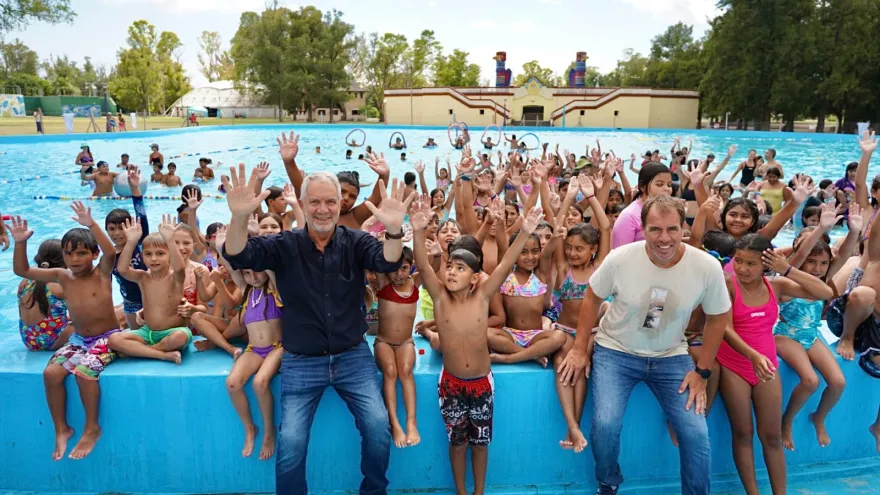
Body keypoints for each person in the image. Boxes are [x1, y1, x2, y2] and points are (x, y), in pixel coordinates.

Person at [220, 163, 415, 494]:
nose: (322, 210)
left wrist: (395, 230)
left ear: (340, 204)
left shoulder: (355, 242)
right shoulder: (284, 245)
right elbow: (239, 254)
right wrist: (239, 218)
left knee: (378, 427)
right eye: (314, 202)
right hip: (301, 360)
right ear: (304, 204)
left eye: (329, 202)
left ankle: (373, 491)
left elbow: (387, 260)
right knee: (291, 444)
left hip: (353, 357)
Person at [558, 195, 732, 495]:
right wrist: (578, 348)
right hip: (615, 352)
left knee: (695, 432)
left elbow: (717, 318)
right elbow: (592, 297)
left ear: (684, 228)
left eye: (672, 229)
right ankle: (608, 481)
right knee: (605, 425)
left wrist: (701, 372)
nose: (664, 239)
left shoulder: (706, 267)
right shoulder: (621, 257)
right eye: (655, 230)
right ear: (643, 227)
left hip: (671, 356)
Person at [411, 191, 545, 495]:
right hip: (452, 385)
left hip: (481, 384)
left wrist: (525, 232)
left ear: (474, 278)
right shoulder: (441, 298)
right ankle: (461, 491)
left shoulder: (483, 295)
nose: (452, 272)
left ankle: (479, 491)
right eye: (450, 267)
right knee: (457, 442)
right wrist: (418, 232)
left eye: (461, 268)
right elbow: (421, 261)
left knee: (480, 443)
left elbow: (505, 264)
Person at [716, 235, 833, 495]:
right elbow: (724, 328)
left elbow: (825, 293)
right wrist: (752, 356)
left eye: (751, 264)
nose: (743, 269)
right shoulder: (727, 283)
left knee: (771, 436)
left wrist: (788, 269)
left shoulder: (776, 286)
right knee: (744, 432)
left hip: (765, 366)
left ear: (766, 264)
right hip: (735, 363)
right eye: (739, 261)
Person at [10, 203, 121, 461]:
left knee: (84, 373)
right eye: (69, 254)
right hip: (79, 340)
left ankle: (92, 427)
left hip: (106, 339)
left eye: (82, 253)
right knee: (50, 373)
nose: (75, 259)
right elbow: (21, 271)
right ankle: (62, 428)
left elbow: (111, 251)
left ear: (93, 254)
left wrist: (91, 224)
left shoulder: (102, 273)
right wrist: (20, 243)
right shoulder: (62, 277)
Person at [107, 216, 193, 364]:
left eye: (160, 254)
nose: (153, 258)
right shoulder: (143, 277)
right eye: (148, 254)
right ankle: (162, 354)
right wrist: (131, 242)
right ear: (143, 257)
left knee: (180, 337)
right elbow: (122, 269)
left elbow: (179, 267)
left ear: (170, 256)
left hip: (172, 332)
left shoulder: (175, 277)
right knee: (114, 339)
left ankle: (143, 351)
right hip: (147, 332)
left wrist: (171, 240)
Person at [224, 264, 284, 460]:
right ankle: (250, 428)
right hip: (254, 350)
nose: (254, 277)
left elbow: (272, 271)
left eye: (258, 271)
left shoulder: (275, 290)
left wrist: (267, 267)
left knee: (260, 383)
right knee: (232, 383)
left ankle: (268, 433)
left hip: (277, 347)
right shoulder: (247, 293)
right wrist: (220, 247)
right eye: (247, 273)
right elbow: (233, 269)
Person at [373, 246, 421, 448]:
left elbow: (432, 267)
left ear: (411, 268)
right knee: (390, 372)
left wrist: (435, 253)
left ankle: (411, 421)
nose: (399, 274)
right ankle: (393, 422)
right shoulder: (384, 281)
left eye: (404, 268)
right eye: (394, 269)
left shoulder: (415, 282)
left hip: (405, 342)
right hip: (383, 341)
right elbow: (374, 262)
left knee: (406, 371)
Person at [106, 167, 150, 330]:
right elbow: (106, 286)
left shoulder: (140, 241)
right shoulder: (109, 255)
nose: (117, 233)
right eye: (111, 229)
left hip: (153, 300)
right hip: (131, 304)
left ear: (130, 226)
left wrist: (134, 187)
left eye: (121, 227)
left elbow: (141, 212)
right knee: (136, 337)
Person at [17, 239, 74, 351]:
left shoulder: (24, 281)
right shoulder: (60, 286)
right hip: (54, 342)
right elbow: (82, 318)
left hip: (29, 341)